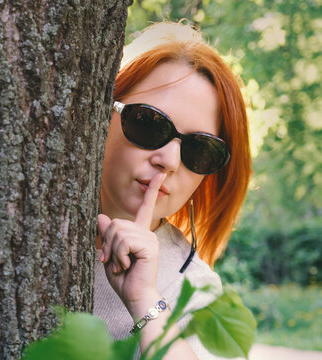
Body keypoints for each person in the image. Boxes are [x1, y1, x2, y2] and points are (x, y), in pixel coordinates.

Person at [93, 21, 251, 359]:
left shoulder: (194, 289)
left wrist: (145, 302)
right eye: (150, 123)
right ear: (99, 114)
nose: (169, 160)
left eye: (199, 149)